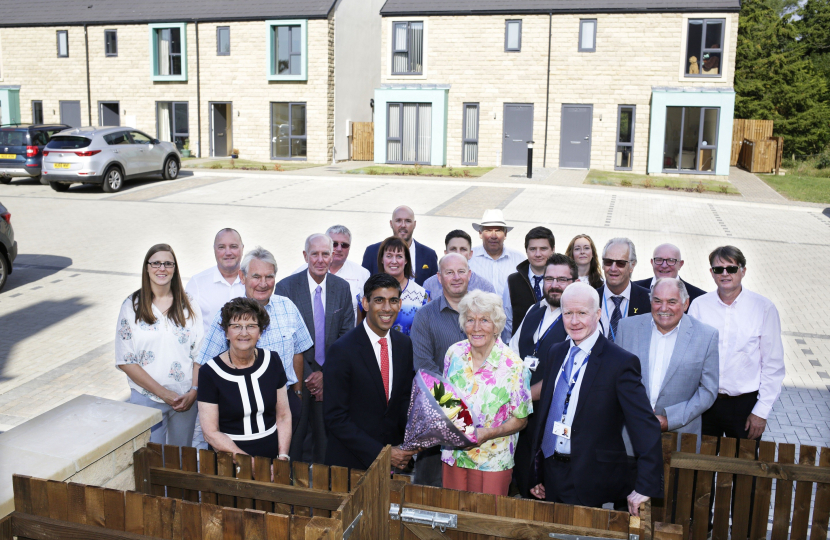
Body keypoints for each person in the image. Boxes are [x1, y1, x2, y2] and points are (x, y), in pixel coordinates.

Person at [529, 283, 663, 514]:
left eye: (582, 313)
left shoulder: (620, 363)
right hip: (551, 472)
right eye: (568, 313)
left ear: (598, 314)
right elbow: (546, 414)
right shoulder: (556, 352)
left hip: (590, 476)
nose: (574, 321)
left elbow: (644, 424)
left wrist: (646, 485)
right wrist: (537, 470)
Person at [197, 247, 313, 431]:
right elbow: (205, 361)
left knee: (287, 456)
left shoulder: (288, 307)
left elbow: (298, 352)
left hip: (285, 400)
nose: (263, 283)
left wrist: (297, 392)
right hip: (240, 404)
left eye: (269, 276)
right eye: (256, 276)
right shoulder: (228, 314)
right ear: (242, 278)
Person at [689, 246, 785, 441]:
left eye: (731, 268)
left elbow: (773, 365)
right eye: (718, 269)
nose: (725, 274)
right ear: (711, 273)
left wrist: (761, 411)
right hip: (706, 402)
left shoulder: (763, 308)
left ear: (743, 271)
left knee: (742, 468)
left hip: (745, 406)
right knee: (700, 467)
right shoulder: (699, 306)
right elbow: (690, 357)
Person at [441, 290, 532, 496]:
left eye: (484, 320)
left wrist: (488, 433)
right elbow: (446, 401)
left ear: (496, 325)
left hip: (493, 461)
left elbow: (521, 420)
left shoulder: (514, 365)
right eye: (470, 320)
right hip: (454, 454)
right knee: (451, 518)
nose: (476, 327)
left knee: (485, 521)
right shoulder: (453, 353)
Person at [275, 233, 355, 463]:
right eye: (315, 254)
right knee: (297, 439)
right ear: (305, 256)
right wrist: (310, 376)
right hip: (297, 378)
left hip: (329, 377)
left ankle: (325, 490)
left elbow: (346, 336)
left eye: (325, 254)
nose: (320, 260)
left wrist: (325, 374)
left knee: (326, 440)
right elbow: (285, 339)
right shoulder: (286, 288)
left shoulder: (342, 288)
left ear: (332, 257)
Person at [323, 273, 416, 471]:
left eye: (393, 301)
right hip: (350, 465)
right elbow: (335, 417)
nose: (387, 308)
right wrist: (382, 454)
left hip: (394, 465)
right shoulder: (341, 350)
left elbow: (403, 401)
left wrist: (415, 440)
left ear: (400, 304)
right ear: (365, 303)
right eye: (379, 300)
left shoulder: (404, 345)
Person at [115, 244, 204, 447]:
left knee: (181, 460)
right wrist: (163, 393)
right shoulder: (132, 306)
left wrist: (194, 390)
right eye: (156, 263)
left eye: (167, 263)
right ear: (147, 268)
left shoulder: (189, 304)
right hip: (147, 399)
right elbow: (125, 360)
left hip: (185, 399)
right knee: (151, 462)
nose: (161, 268)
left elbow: (199, 354)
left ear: (175, 269)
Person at [616, 278, 719, 446]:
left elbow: (708, 390)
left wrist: (670, 420)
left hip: (681, 439)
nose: (664, 308)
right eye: (657, 301)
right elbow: (615, 379)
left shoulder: (707, 336)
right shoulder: (626, 328)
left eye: (672, 302)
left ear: (686, 304)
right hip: (629, 436)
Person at [509, 253, 577, 498]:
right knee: (526, 483)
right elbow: (513, 354)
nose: (555, 285)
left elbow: (567, 376)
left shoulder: (578, 320)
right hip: (523, 416)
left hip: (553, 422)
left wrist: (520, 397)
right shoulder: (533, 310)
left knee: (549, 491)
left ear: (575, 283)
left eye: (562, 279)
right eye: (549, 278)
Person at [197, 298, 292, 460]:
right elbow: (210, 433)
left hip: (273, 458)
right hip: (228, 461)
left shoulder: (273, 361)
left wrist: (282, 457)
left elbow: (283, 415)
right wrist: (251, 465)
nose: (244, 333)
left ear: (260, 332)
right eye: (236, 326)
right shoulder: (209, 372)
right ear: (226, 332)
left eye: (251, 326)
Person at [410, 253, 473, 487]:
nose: (456, 277)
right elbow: (424, 369)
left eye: (461, 271)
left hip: (481, 418)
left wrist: (475, 405)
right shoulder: (425, 316)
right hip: (437, 420)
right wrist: (458, 410)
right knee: (431, 491)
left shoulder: (485, 314)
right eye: (449, 272)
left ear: (469, 275)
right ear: (439, 278)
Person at [185, 228, 246, 449]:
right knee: (204, 434)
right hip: (211, 374)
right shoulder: (198, 283)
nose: (228, 252)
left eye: (233, 246)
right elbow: (188, 332)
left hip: (245, 371)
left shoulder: (251, 281)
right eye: (222, 247)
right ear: (214, 251)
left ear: (242, 249)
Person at [294, 225, 369, 322]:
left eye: (344, 245)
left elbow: (366, 310)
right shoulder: (300, 273)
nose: (339, 248)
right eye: (334, 244)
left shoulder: (362, 274)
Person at [357, 236, 429, 336]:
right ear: (382, 259)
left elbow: (426, 334)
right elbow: (359, 330)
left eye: (399, 256)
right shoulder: (367, 291)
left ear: (406, 260)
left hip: (409, 351)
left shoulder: (421, 295)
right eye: (389, 256)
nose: (394, 261)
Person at [361, 206, 438, 286]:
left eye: (408, 221)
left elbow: (434, 289)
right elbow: (365, 286)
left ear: (414, 224)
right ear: (391, 224)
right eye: (398, 221)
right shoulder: (372, 252)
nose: (403, 225)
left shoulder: (429, 255)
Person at [503, 227, 555, 337]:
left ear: (553, 250)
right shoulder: (512, 281)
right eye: (533, 249)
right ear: (526, 250)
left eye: (543, 249)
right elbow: (508, 320)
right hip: (520, 349)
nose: (538, 254)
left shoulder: (562, 281)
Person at [597, 238, 651, 342]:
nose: (613, 268)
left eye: (620, 263)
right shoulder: (591, 298)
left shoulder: (649, 301)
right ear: (603, 265)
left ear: (632, 265)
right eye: (608, 262)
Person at [422, 230, 495, 299]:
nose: (458, 253)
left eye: (463, 249)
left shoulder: (485, 288)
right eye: (453, 249)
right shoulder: (429, 285)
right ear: (446, 253)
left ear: (470, 254)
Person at [468, 209, 525, 298]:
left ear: (505, 234)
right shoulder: (469, 258)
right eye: (488, 230)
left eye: (498, 230)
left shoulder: (519, 259)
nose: (493, 236)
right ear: (480, 233)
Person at [633, 243, 706, 310]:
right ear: (652, 262)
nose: (664, 265)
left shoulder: (698, 298)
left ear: (680, 264)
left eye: (671, 260)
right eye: (659, 260)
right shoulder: (633, 290)